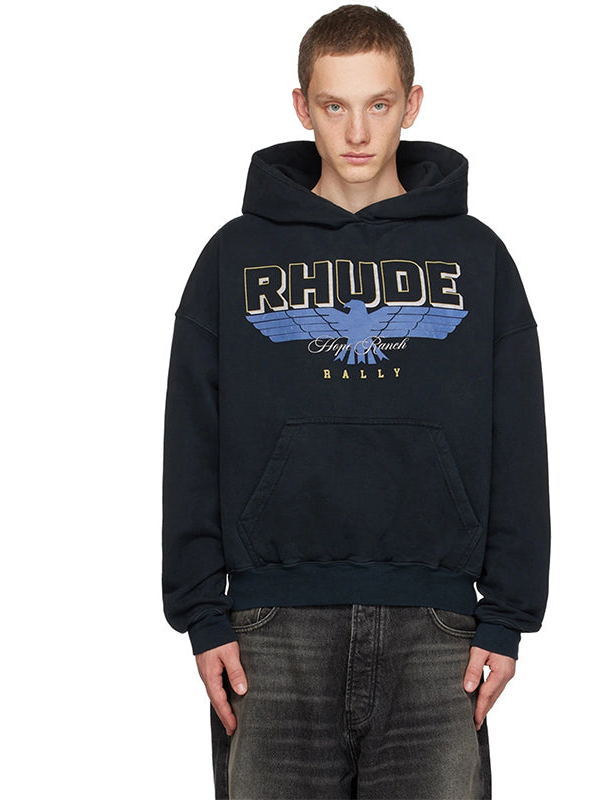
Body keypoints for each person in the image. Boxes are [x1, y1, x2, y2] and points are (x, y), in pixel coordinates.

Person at [162, 5, 550, 798]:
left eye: (379, 103)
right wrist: (201, 612)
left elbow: (519, 437)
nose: (359, 132)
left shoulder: (477, 257)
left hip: (439, 631)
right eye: (334, 105)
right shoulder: (235, 256)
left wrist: (508, 614)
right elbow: (190, 439)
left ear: (413, 103)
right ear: (302, 107)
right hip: (269, 631)